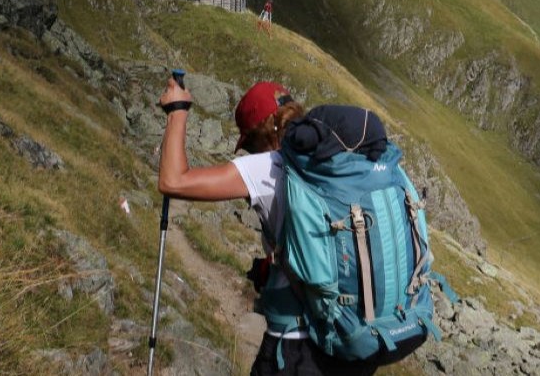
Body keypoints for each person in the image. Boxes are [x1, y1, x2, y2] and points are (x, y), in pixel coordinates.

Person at [157, 79, 418, 376]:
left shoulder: (269, 166)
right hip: (356, 338)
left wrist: (177, 110)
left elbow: (173, 181)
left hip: (298, 349)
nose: (249, 154)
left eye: (249, 145)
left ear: (259, 135)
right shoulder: (350, 164)